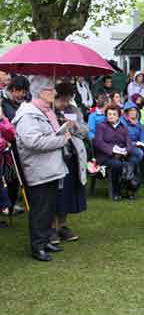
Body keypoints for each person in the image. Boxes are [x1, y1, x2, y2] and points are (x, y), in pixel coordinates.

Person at [13, 76, 69, 261]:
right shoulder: (28, 115)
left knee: (48, 207)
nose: (54, 92)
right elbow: (33, 142)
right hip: (38, 168)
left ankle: (45, 241)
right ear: (40, 92)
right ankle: (37, 246)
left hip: (49, 167)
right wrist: (61, 140)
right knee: (40, 209)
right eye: (50, 90)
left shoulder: (45, 111)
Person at [51, 83, 88, 243]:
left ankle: (62, 225)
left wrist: (74, 126)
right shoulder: (48, 111)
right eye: (62, 100)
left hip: (73, 156)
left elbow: (85, 131)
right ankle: (51, 227)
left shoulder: (73, 111)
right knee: (56, 193)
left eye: (68, 100)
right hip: (56, 157)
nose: (65, 104)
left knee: (68, 192)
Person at [93, 104, 140, 200]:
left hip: (122, 154)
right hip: (106, 156)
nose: (111, 116)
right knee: (116, 164)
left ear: (119, 116)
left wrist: (127, 150)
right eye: (109, 114)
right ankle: (116, 191)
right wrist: (113, 151)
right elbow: (98, 143)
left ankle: (130, 188)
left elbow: (129, 142)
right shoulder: (101, 126)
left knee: (134, 159)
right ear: (106, 115)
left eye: (114, 114)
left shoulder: (123, 127)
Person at [121, 101, 144, 180]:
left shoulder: (138, 123)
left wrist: (142, 143)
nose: (133, 112)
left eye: (135, 110)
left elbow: (142, 137)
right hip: (126, 145)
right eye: (131, 110)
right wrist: (134, 143)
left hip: (137, 145)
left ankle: (139, 176)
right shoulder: (122, 122)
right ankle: (130, 173)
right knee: (139, 153)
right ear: (126, 112)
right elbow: (123, 138)